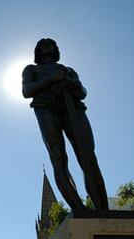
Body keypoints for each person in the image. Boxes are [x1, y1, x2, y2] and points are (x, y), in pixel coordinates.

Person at [22, 38, 108, 211]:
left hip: (73, 109)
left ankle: (102, 208)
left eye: (51, 45)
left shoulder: (67, 70)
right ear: (38, 51)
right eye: (44, 46)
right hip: (46, 109)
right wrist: (51, 80)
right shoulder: (32, 70)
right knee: (59, 157)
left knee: (88, 156)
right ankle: (78, 207)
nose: (48, 48)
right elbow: (26, 91)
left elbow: (82, 92)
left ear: (56, 50)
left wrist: (72, 84)